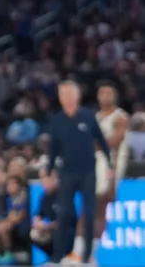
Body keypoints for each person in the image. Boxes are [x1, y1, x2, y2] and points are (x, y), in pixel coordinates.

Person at [47, 80, 113, 265]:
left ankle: (86, 256)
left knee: (90, 214)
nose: (67, 98)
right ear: (60, 98)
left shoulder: (88, 116)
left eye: (70, 94)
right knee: (63, 214)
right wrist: (48, 170)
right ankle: (58, 256)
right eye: (63, 94)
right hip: (67, 173)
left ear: (77, 96)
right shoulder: (56, 120)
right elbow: (53, 149)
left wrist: (110, 164)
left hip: (87, 173)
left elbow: (102, 141)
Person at [94, 81, 129, 244]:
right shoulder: (95, 117)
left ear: (115, 96)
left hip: (110, 165)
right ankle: (86, 251)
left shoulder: (120, 117)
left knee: (101, 206)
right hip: (94, 164)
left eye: (108, 92)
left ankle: (94, 250)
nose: (105, 96)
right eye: (102, 92)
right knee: (90, 209)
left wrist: (93, 144)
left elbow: (114, 142)